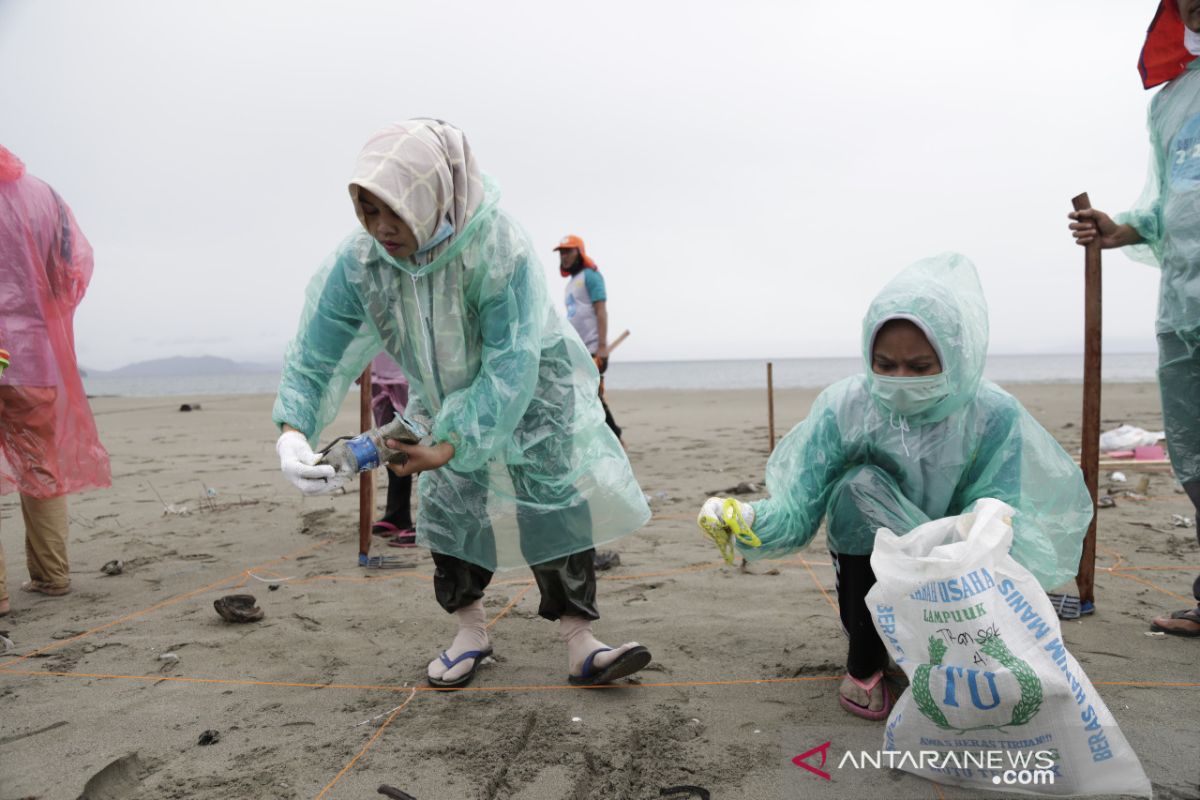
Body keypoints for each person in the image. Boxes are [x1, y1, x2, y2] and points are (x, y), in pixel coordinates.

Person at [273, 120, 653, 688]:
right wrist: (293, 429)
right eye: (365, 210)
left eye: (392, 210)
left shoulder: (497, 247)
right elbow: (316, 350)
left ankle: (580, 641)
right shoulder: (363, 262)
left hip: (531, 389)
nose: (381, 228)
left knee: (550, 497)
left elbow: (509, 362)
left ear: (428, 194)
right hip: (441, 396)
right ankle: (470, 630)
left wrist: (449, 444)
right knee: (452, 506)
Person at [698, 253, 1093, 719]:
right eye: (884, 363)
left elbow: (997, 500)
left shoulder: (990, 412)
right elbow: (800, 503)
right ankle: (865, 661)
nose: (900, 379)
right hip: (868, 560)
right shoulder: (846, 406)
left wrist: (972, 534)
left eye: (921, 366)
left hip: (949, 558)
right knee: (855, 489)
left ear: (954, 356)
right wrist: (746, 520)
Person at [1067, 0, 1200, 638]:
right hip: (1184, 308)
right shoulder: (1171, 102)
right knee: (1196, 458)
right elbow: (1166, 202)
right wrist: (1117, 231)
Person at [0, 145, 111, 616]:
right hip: (31, 355)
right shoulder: (43, 195)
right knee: (39, 462)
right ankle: (51, 574)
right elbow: (72, 269)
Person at [555, 235, 622, 443]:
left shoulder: (591, 276)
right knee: (588, 396)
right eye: (562, 252)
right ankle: (612, 438)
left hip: (594, 349)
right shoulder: (570, 284)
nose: (564, 256)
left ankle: (615, 438)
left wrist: (602, 347)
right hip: (578, 350)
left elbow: (601, 311)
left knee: (592, 395)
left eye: (568, 251)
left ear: (579, 252)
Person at [366, 353, 415, 547]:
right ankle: (398, 514)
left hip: (409, 367)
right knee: (389, 441)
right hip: (377, 367)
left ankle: (432, 521)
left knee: (422, 438)